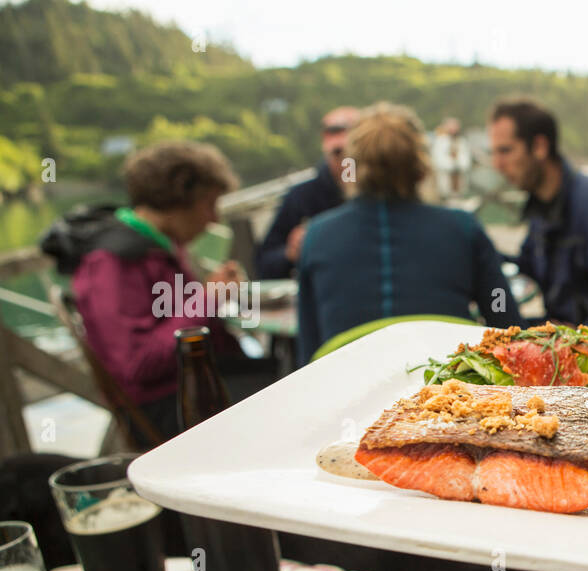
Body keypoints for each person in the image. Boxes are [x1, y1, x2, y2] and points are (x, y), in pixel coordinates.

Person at [65, 141, 276, 445]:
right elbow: (137, 364)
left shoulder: (154, 242)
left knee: (293, 375)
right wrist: (209, 298)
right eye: (209, 204)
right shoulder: (110, 262)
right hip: (167, 409)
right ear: (181, 197)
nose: (214, 219)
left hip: (198, 385)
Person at [294, 102, 521, 366]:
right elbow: (505, 321)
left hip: (347, 390)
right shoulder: (463, 228)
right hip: (445, 390)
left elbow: (308, 348)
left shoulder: (317, 235)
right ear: (421, 166)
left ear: (352, 166)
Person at [488, 99, 588, 330]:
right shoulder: (541, 205)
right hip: (557, 332)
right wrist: (481, 252)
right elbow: (527, 265)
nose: (497, 164)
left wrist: (575, 342)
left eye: (505, 150)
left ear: (540, 147)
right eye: (493, 152)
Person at [255, 106, 359, 279]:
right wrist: (290, 253)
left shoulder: (383, 193)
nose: (346, 162)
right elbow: (264, 264)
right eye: (339, 153)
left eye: (353, 154)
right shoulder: (301, 197)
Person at [431, 117, 473, 199]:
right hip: (445, 185)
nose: (453, 129)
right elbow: (438, 161)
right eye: (451, 127)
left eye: (455, 126)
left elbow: (466, 161)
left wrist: (458, 163)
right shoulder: (440, 142)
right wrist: (452, 164)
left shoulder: (462, 142)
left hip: (460, 184)